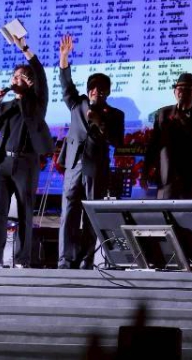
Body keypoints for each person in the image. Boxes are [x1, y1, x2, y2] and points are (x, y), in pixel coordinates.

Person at [0, 32, 53, 268]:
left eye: (19, 76)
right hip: (3, 163)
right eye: (13, 76)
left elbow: (40, 74)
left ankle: (22, 259)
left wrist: (25, 49)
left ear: (29, 81)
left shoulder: (37, 102)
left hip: (26, 164)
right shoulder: (7, 106)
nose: (14, 79)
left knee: (25, 212)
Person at [55, 34, 125, 269]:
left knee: (91, 214)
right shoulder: (78, 103)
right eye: (93, 88)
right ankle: (65, 260)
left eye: (101, 89)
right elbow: (66, 84)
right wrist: (64, 57)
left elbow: (117, 140)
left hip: (96, 168)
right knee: (69, 212)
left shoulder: (115, 115)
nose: (96, 91)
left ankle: (86, 260)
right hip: (73, 165)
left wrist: (99, 122)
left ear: (107, 92)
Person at [144, 72, 192, 200]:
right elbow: (154, 144)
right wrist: (145, 172)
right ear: (174, 92)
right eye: (180, 89)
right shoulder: (163, 113)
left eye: (188, 89)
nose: (183, 92)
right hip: (168, 176)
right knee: (165, 211)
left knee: (189, 211)